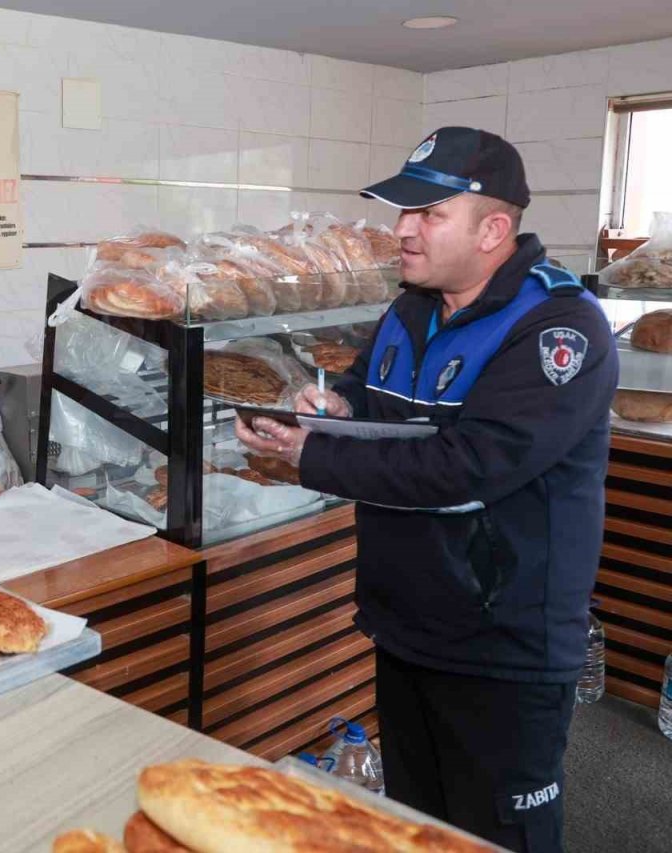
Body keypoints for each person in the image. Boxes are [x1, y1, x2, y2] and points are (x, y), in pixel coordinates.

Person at [235, 127, 617, 852]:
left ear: (493, 229)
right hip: (408, 624)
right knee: (417, 827)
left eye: (428, 214)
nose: (402, 230)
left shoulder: (558, 327)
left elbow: (466, 468)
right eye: (401, 211)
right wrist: (339, 411)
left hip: (504, 648)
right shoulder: (412, 305)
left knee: (499, 834)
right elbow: (369, 396)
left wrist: (312, 456)